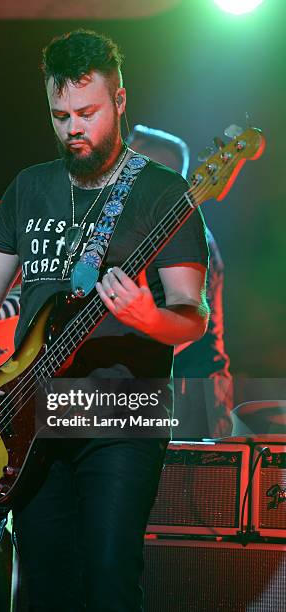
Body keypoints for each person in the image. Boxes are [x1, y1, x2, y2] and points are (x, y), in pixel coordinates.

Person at [0, 29, 209, 612]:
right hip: (33, 418)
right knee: (42, 588)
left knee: (109, 581)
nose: (73, 128)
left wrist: (146, 316)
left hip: (121, 414)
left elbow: (191, 318)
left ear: (119, 101)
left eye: (86, 112)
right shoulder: (31, 187)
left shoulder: (163, 193)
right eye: (59, 115)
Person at [127, 125, 233, 438]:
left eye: (140, 166)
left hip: (194, 393)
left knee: (191, 487)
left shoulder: (194, 236)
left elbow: (189, 324)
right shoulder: (138, 235)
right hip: (152, 391)